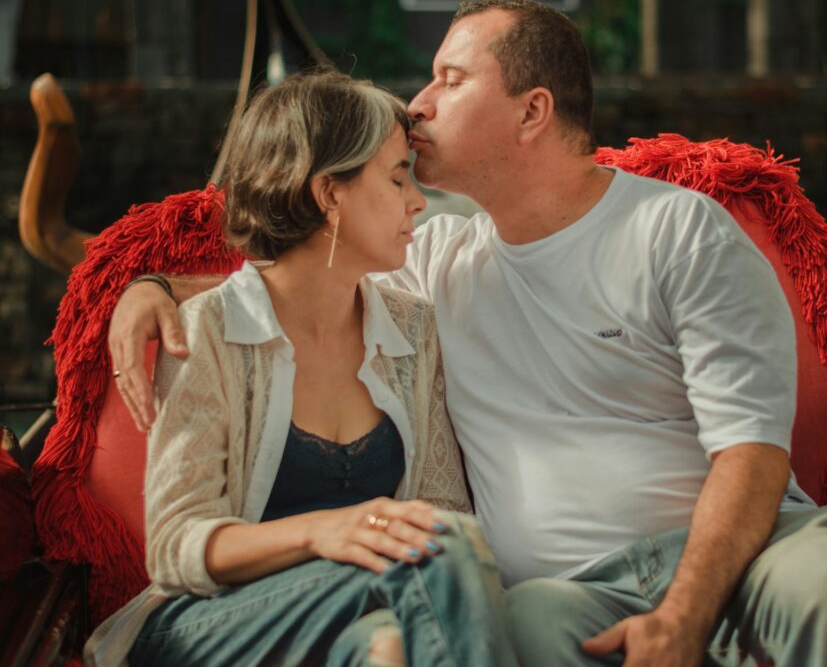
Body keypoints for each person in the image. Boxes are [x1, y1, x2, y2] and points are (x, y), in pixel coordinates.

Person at [108, 0, 827, 666]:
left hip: (753, 555)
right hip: (563, 593)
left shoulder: (680, 231)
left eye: (449, 79)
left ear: (533, 110)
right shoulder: (436, 256)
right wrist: (151, 284)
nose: (416, 105)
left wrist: (683, 617)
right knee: (525, 631)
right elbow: (299, 269)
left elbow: (752, 452)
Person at [87, 70, 518, 667]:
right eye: (397, 178)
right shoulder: (210, 331)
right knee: (438, 555)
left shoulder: (413, 332)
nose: (418, 201)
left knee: (388, 645)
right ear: (328, 194)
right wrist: (323, 533)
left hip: (363, 612)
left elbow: (439, 509)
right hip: (208, 625)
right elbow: (175, 548)